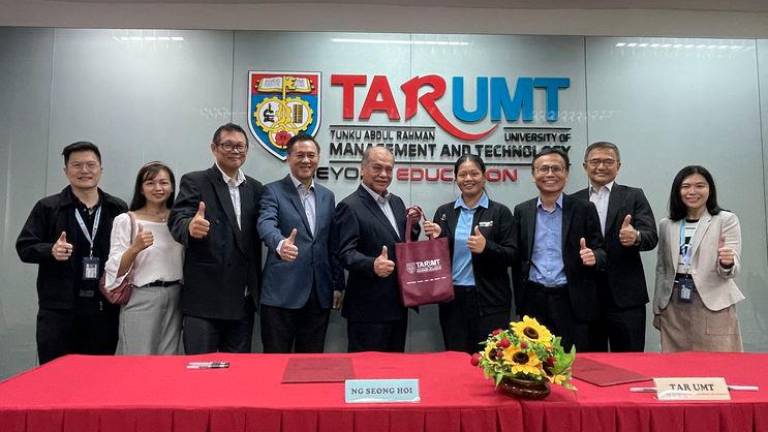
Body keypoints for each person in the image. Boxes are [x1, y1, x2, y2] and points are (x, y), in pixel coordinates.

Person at [16, 141, 128, 364]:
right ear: (66, 171)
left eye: (90, 165)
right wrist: (50, 250)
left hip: (103, 310)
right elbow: (24, 247)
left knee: (97, 378)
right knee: (54, 378)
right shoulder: (48, 207)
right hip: (59, 311)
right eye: (76, 165)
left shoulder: (117, 208)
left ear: (100, 169)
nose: (84, 171)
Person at [168, 123, 264, 354]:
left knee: (237, 375)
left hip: (242, 299)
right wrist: (190, 226)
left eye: (240, 146)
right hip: (204, 298)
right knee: (200, 375)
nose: (235, 151)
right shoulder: (195, 181)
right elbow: (177, 218)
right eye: (228, 145)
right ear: (214, 148)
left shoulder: (256, 188)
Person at [512, 147, 606, 351]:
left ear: (567, 173)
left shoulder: (583, 208)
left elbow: (601, 250)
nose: (550, 174)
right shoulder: (522, 211)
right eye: (543, 169)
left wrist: (594, 256)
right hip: (533, 299)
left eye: (557, 168)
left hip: (571, 299)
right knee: (534, 362)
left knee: (575, 363)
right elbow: (516, 254)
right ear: (533, 174)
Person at [257, 134, 343, 353]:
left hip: (318, 294)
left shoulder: (327, 196)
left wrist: (337, 284)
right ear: (288, 158)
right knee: (276, 364)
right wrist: (279, 244)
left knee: (311, 365)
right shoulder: (273, 191)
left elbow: (332, 244)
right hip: (281, 294)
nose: (306, 160)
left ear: (318, 158)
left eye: (311, 155)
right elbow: (266, 223)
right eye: (300, 155)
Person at [423, 154, 516, 354]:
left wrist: (487, 247)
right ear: (456, 179)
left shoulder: (500, 212)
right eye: (462, 174)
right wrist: (439, 239)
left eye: (474, 173)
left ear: (484, 177)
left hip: (490, 300)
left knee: (491, 358)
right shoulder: (444, 212)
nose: (468, 179)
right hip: (453, 299)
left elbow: (513, 255)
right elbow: (439, 258)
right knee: (456, 357)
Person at [573, 141, 658, 352]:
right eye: (595, 161)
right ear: (585, 166)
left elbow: (651, 237)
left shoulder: (633, 195)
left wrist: (636, 236)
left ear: (618, 166)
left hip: (626, 295)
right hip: (587, 295)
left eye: (608, 161)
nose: (601, 166)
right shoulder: (573, 201)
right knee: (591, 362)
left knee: (630, 359)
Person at [335, 146, 419, 352]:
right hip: (367, 310)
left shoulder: (397, 202)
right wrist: (372, 264)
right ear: (363, 169)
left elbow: (399, 244)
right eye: (377, 168)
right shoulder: (350, 206)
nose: (384, 174)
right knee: (366, 374)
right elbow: (344, 253)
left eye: (389, 169)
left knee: (395, 371)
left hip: (398, 305)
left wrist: (413, 227)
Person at [654, 165, 744, 352]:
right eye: (686, 186)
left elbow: (731, 269)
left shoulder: (725, 220)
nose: (692, 191)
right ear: (677, 191)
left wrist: (726, 262)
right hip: (674, 303)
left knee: (717, 361)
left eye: (700, 186)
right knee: (676, 364)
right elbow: (662, 268)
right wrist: (658, 306)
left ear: (710, 190)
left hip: (712, 303)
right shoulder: (667, 224)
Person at [104, 162, 183, 355]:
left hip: (176, 296)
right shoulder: (127, 220)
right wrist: (135, 248)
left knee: (168, 360)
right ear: (141, 188)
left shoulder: (179, 221)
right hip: (142, 296)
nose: (158, 188)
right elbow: (115, 270)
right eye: (150, 183)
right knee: (137, 359)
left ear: (172, 187)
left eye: (164, 183)